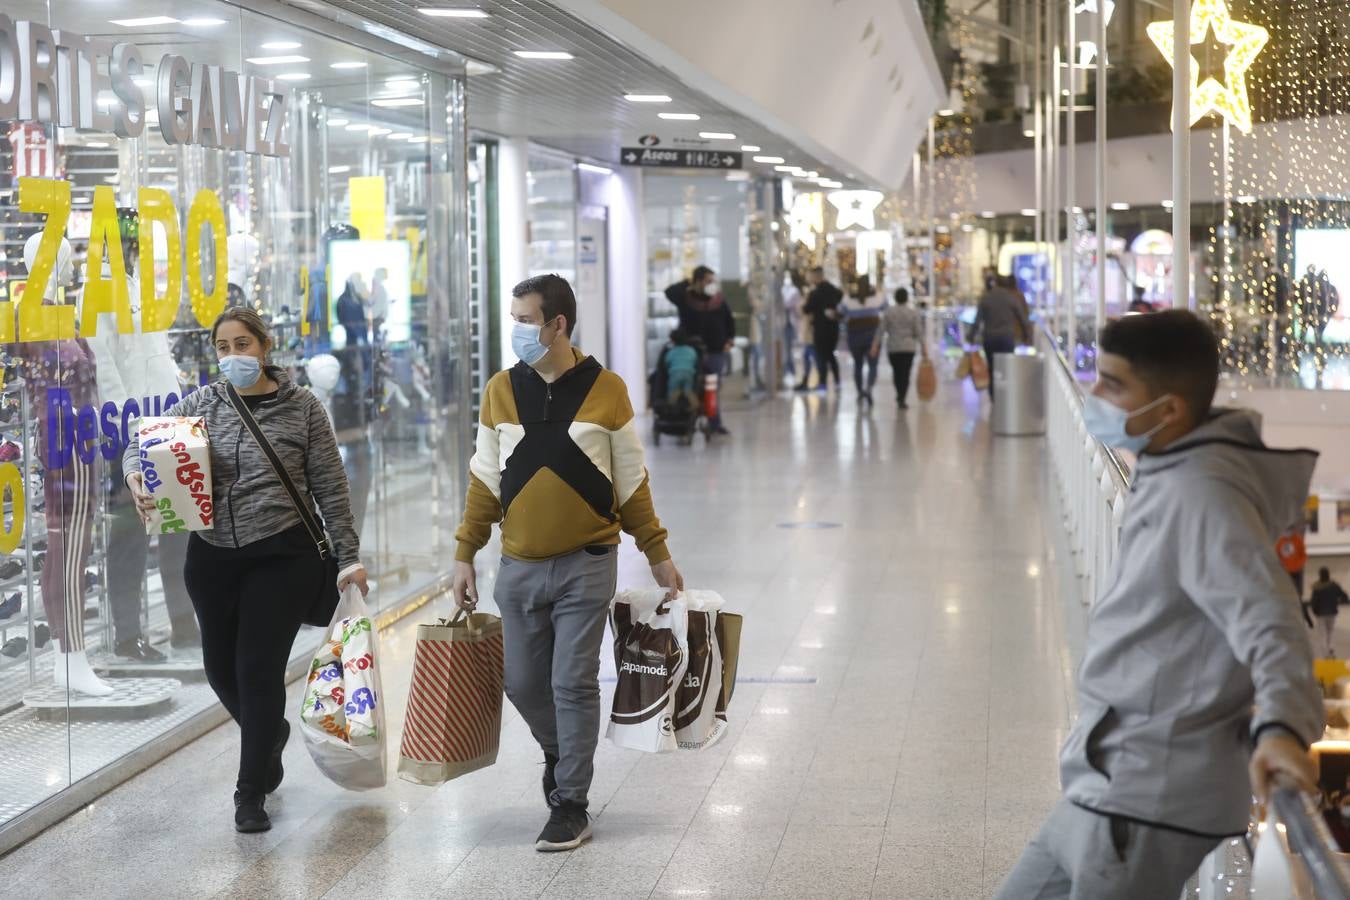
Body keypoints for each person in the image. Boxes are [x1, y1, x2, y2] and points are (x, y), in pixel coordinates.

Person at [995, 311, 1323, 899]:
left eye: (1114, 384)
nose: (1094, 393)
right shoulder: (1172, 467)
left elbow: (1272, 625)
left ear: (1169, 410)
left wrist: (1280, 729)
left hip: (1145, 801)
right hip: (1104, 781)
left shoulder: (1203, 497)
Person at [452, 274, 682, 853]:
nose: (517, 330)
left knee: (571, 681)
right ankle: (561, 753)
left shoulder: (607, 390)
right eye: (514, 317)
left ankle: (570, 802)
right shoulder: (501, 390)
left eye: (526, 319)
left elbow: (630, 480)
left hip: (588, 560)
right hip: (519, 563)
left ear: (558, 324)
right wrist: (464, 554)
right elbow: (485, 478)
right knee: (524, 682)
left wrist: (656, 553)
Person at [123, 308, 367, 834]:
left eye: (242, 344)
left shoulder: (303, 408)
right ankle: (269, 735)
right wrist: (138, 480)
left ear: (265, 345)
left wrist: (348, 557)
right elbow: (139, 447)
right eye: (223, 347)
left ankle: (249, 791)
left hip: (282, 555)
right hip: (212, 557)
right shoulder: (203, 403)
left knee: (257, 670)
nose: (233, 356)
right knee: (219, 670)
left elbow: (331, 488)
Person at [93, 208, 200, 663]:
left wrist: (179, 387)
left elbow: (154, 351)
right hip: (132, 430)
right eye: (129, 242)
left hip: (168, 421)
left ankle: (181, 621)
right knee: (131, 537)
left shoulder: (138, 285)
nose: (134, 250)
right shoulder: (100, 289)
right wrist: (124, 423)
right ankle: (127, 635)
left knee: (178, 527)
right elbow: (103, 363)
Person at [667, 267, 734, 435]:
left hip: (716, 350)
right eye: (708, 281)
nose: (712, 284)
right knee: (692, 384)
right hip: (691, 352)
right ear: (697, 281)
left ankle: (714, 423)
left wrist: (729, 339)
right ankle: (684, 419)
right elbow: (670, 292)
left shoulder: (718, 300)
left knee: (712, 387)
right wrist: (688, 282)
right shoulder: (686, 298)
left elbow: (728, 320)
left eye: (713, 281)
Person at [969, 277, 1031, 400]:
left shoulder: (986, 298)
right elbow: (1022, 318)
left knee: (992, 368)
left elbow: (977, 320)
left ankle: (994, 397)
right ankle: (1005, 397)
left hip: (990, 338)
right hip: (1007, 338)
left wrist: (971, 336)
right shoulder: (1010, 298)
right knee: (1007, 367)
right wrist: (1027, 335)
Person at [875, 288, 926, 409]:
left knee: (897, 372)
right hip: (909, 348)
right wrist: (924, 347)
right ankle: (902, 396)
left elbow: (881, 330)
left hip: (893, 347)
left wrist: (875, 345)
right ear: (907, 298)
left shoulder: (888, 312)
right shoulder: (913, 313)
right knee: (906, 373)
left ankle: (899, 394)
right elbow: (918, 331)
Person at [839, 276, 884, 408]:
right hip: (873, 338)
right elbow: (885, 307)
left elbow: (840, 311)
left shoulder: (849, 298)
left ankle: (860, 391)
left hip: (855, 337)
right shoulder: (876, 297)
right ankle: (869, 388)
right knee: (873, 365)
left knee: (857, 365)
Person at [803, 267, 843, 392]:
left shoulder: (815, 293)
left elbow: (806, 309)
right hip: (833, 329)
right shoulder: (834, 290)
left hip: (820, 329)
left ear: (816, 277)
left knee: (821, 356)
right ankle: (837, 382)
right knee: (830, 355)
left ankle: (823, 384)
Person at [1309, 567, 1349, 657]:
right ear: (1328, 575)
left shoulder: (1317, 587)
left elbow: (1313, 602)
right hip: (1332, 612)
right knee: (1330, 632)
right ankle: (1331, 648)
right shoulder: (1334, 585)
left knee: (1322, 634)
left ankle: (1325, 653)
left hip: (1320, 614)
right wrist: (1339, 602)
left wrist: (1315, 611)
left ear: (1320, 575)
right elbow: (1344, 595)